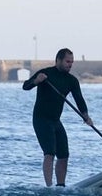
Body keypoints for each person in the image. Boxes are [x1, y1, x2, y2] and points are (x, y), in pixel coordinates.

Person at [22, 48, 93, 187]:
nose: (70, 65)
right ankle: (49, 186)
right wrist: (37, 80)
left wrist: (86, 116)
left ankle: (60, 186)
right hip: (41, 119)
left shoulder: (72, 80)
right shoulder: (46, 74)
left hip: (55, 121)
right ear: (58, 60)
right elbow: (26, 86)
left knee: (64, 154)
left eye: (71, 62)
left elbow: (79, 99)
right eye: (67, 61)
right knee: (50, 152)